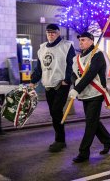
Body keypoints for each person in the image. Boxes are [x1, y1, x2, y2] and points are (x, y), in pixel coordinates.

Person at [69, 32, 110, 163]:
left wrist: (77, 89)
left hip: (96, 94)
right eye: (80, 40)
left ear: (91, 41)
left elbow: (90, 74)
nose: (81, 42)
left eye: (83, 40)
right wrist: (74, 84)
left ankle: (83, 153)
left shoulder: (97, 55)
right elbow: (73, 73)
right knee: (93, 121)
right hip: (85, 94)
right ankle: (108, 141)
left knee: (90, 123)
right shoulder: (78, 57)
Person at [30, 24, 75, 152]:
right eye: (48, 32)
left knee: (56, 111)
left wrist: (67, 79)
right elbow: (39, 67)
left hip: (61, 85)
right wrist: (33, 81)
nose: (50, 34)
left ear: (58, 33)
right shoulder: (42, 48)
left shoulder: (66, 46)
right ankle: (60, 139)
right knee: (54, 113)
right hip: (48, 85)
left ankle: (60, 140)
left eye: (53, 32)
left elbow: (71, 64)